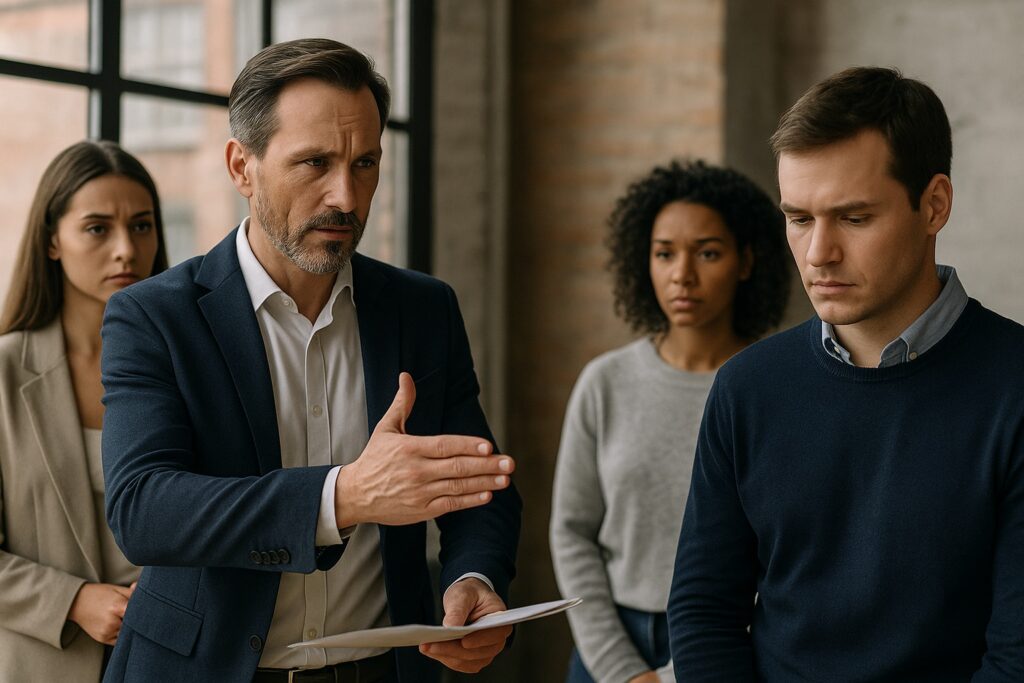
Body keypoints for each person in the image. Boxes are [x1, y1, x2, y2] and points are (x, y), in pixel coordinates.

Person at [99, 39, 521, 683]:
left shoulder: (424, 309)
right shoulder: (153, 316)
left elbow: (476, 482)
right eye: (314, 162)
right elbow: (144, 510)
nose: (346, 197)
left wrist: (474, 578)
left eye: (366, 163)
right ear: (242, 167)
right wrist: (342, 496)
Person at [668, 66, 1024, 682]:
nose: (818, 254)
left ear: (934, 204)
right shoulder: (746, 389)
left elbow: (1017, 655)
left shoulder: (1013, 386)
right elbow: (704, 614)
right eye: (800, 218)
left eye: (854, 218)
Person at [550, 160, 790, 683]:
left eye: (707, 252)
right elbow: (571, 533)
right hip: (608, 645)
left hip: (733, 644)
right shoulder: (604, 383)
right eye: (664, 254)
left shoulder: (775, 391)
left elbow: (785, 548)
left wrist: (684, 671)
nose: (682, 274)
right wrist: (621, 670)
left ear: (746, 261)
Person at [0, 140, 168, 681]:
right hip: (42, 662)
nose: (126, 249)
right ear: (52, 240)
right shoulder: (4, 373)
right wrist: (74, 600)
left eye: (141, 226)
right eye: (98, 228)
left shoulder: (184, 370)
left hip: (171, 655)